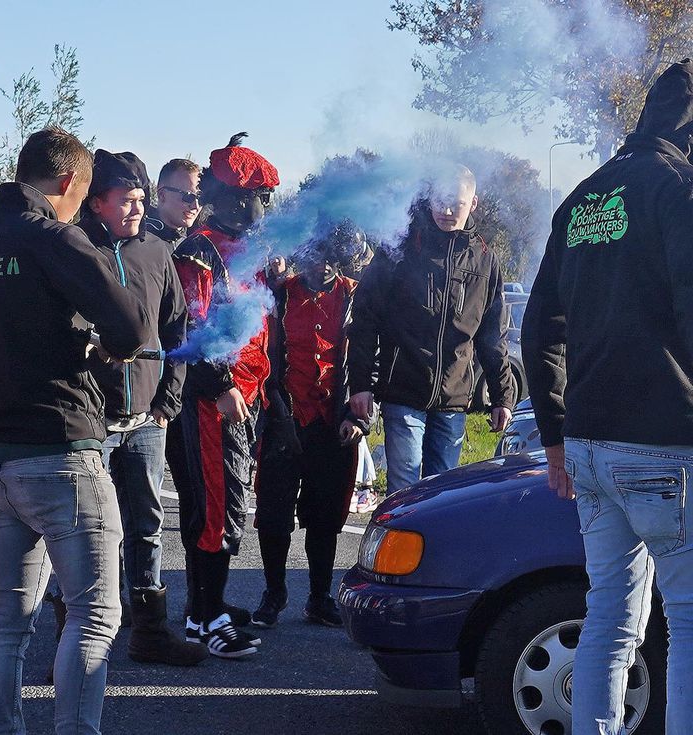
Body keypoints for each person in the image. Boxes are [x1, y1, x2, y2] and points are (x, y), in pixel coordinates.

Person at [0, 126, 148, 735]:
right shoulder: (53, 237)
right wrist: (93, 347)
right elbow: (130, 325)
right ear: (66, 183)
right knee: (93, 614)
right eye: (80, 198)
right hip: (64, 449)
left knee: (6, 618)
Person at [524, 59, 693, 735]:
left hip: (591, 447)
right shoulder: (679, 190)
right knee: (686, 620)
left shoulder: (587, 195)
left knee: (611, 618)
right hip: (664, 445)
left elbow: (540, 325)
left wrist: (557, 437)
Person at [79, 149, 202, 666]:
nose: (137, 209)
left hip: (147, 420)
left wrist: (168, 400)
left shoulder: (156, 253)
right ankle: (82, 639)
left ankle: (149, 630)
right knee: (89, 529)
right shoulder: (75, 248)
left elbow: (178, 329)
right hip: (90, 421)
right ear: (96, 202)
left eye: (141, 200)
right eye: (125, 200)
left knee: (146, 523)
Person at [167, 134, 277, 659]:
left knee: (228, 503)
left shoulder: (248, 251)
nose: (267, 209)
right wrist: (223, 385)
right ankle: (207, 618)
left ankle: (203, 609)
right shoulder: (200, 252)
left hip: (247, 396)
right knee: (218, 508)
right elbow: (195, 330)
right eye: (261, 197)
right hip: (217, 399)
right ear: (236, 198)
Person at [347, 164, 515, 493]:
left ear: (474, 203)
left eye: (456, 202)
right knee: (403, 493)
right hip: (403, 393)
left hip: (453, 401)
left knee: (441, 497)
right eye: (439, 200)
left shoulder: (485, 260)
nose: (447, 210)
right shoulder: (399, 247)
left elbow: (492, 336)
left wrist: (502, 397)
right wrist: (360, 384)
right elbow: (364, 319)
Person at [253, 222, 370, 630]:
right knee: (273, 514)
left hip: (334, 423)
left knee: (325, 516)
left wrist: (356, 417)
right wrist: (274, 412)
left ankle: (319, 597)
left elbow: (366, 359)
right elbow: (261, 354)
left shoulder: (354, 296)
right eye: (317, 257)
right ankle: (274, 593)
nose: (323, 267)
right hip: (284, 417)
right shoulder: (279, 294)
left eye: (332, 260)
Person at [144, 158, 203, 248]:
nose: (196, 206)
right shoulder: (140, 241)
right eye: (188, 196)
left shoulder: (194, 245)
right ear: (162, 195)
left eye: (201, 198)